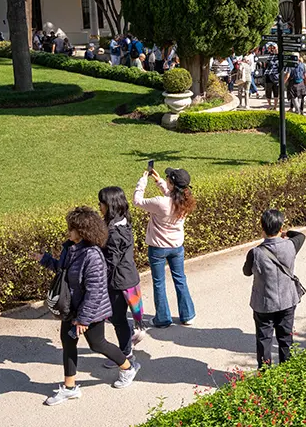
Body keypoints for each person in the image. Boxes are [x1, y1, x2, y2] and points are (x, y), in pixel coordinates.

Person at [36, 206, 140, 405]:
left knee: (97, 344)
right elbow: (63, 270)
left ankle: (128, 367)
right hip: (71, 308)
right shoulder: (70, 248)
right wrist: (45, 259)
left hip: (91, 311)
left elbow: (95, 291)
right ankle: (69, 388)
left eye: (72, 229)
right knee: (68, 342)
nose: (68, 232)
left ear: (83, 232)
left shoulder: (93, 256)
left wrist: (84, 318)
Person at [133, 167, 196, 327]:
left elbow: (137, 201)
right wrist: (159, 181)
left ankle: (162, 318)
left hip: (158, 248)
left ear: (172, 184)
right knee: (180, 279)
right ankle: (187, 315)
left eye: (168, 178)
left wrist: (143, 182)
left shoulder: (160, 203)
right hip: (177, 247)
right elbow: (171, 195)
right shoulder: (184, 201)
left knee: (159, 282)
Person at [243, 209, 305, 369]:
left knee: (264, 339)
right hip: (287, 300)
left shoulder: (255, 253)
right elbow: (301, 236)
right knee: (286, 338)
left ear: (262, 228)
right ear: (280, 227)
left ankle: (265, 373)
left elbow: (246, 272)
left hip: (264, 304)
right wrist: (285, 233)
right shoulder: (291, 245)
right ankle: (287, 372)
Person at [97, 187, 145, 365]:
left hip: (119, 281)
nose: (99, 206)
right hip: (127, 277)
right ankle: (128, 342)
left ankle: (125, 354)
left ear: (109, 205)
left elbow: (111, 261)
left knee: (117, 319)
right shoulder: (122, 221)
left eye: (101, 203)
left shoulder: (115, 232)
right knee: (118, 317)